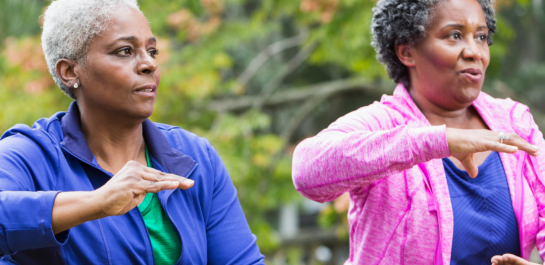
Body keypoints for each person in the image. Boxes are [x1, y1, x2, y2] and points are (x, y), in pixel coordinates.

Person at [0, 0, 264, 264]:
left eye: (152, 51)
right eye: (125, 51)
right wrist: (97, 202)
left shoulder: (195, 157)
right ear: (69, 71)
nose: (149, 64)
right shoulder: (30, 155)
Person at [292, 0, 545, 264]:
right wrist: (439, 140)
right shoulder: (383, 123)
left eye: (481, 37)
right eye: (454, 35)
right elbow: (306, 170)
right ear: (407, 51)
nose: (475, 52)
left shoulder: (514, 122)